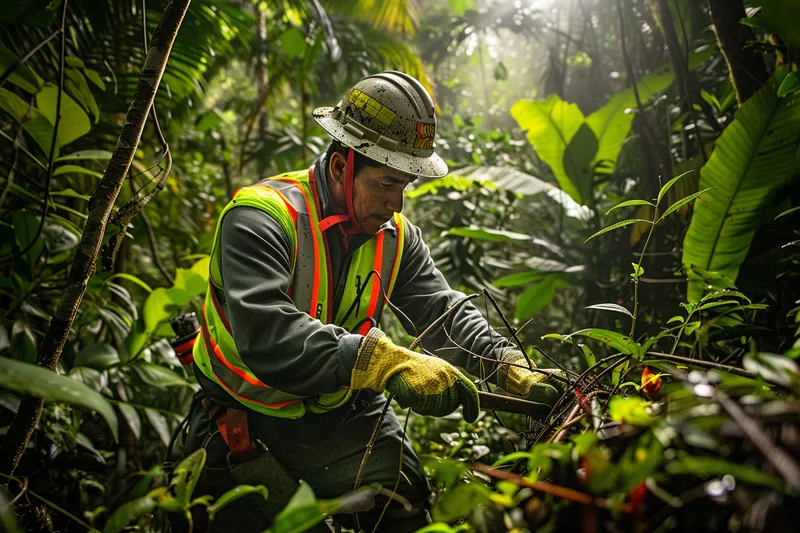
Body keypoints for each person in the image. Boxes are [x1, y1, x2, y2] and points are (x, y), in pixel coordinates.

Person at [180, 70, 564, 533]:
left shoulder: (395, 236)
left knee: (405, 499)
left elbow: (441, 310)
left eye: (405, 186)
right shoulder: (259, 219)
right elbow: (269, 338)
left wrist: (504, 363)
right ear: (343, 166)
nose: (396, 204)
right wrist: (380, 360)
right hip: (242, 424)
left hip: (340, 416)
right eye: (386, 184)